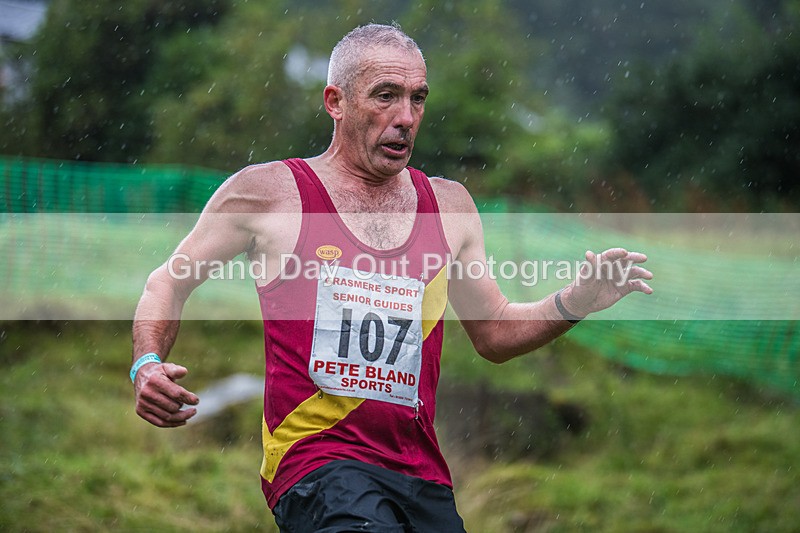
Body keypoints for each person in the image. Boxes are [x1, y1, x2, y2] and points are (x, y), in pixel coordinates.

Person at [131, 23, 652, 532]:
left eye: (417, 98)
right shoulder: (269, 194)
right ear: (336, 102)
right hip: (317, 462)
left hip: (419, 472)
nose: (405, 117)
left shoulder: (449, 207)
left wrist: (575, 301)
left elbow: (494, 331)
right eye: (386, 96)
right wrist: (146, 364)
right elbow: (169, 283)